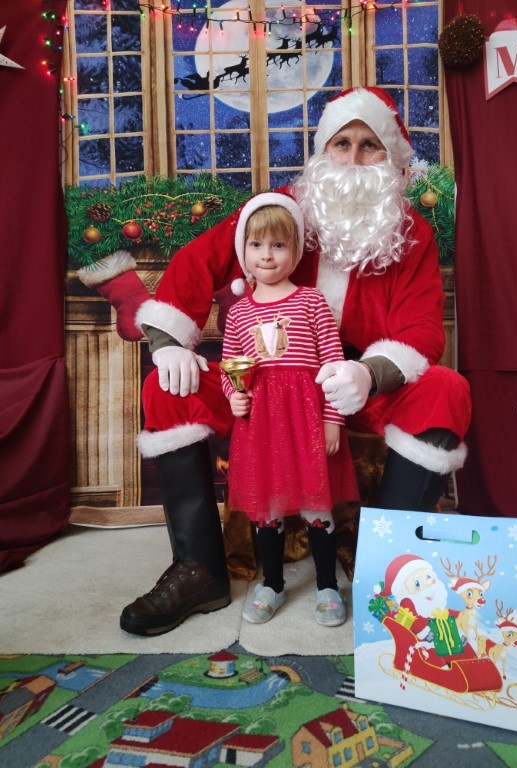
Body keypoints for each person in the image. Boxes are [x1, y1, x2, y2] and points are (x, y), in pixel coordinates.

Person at [119, 85, 472, 637]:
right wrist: (167, 343)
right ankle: (199, 569)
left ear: (393, 161)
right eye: (341, 144)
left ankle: (391, 572)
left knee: (445, 390)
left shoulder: (411, 233)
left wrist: (369, 373)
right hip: (264, 391)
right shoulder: (280, 212)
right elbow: (197, 261)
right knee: (165, 388)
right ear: (322, 151)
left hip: (353, 393)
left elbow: (422, 329)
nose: (353, 159)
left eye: (370, 146)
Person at [221, 193, 359, 626]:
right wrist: (233, 396)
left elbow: (334, 365)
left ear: (295, 251)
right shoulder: (238, 314)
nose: (267, 255)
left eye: (278, 245)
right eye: (257, 245)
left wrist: (333, 419)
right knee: (267, 510)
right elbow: (229, 368)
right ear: (244, 251)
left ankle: (327, 586)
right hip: (261, 425)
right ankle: (273, 584)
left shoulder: (312, 301)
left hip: (306, 422)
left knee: (317, 507)